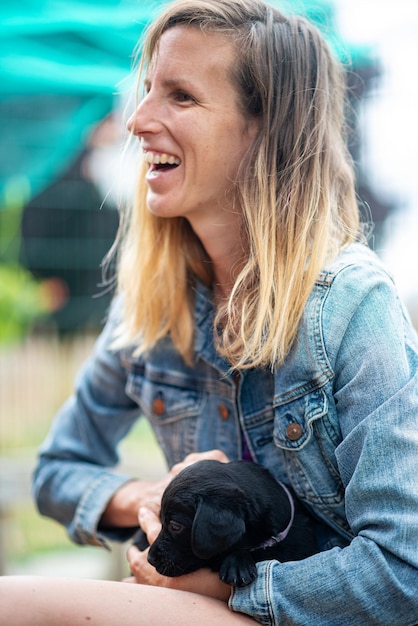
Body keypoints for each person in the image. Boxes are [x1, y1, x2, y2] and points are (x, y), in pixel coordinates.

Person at [1, 0, 418, 624]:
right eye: (146, 91)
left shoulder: (350, 307)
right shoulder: (151, 302)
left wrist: (220, 590)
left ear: (263, 129)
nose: (138, 120)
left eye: (181, 96)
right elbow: (59, 468)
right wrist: (150, 498)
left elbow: (403, 573)